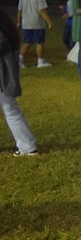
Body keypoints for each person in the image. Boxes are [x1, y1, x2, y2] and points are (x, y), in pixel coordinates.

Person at [0, 9, 39, 156]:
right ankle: (27, 145)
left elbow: (2, 43)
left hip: (2, 77)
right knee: (11, 110)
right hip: (5, 75)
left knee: (10, 110)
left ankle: (27, 146)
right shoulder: (6, 25)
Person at [17, 0, 52, 68]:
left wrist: (18, 22)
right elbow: (42, 10)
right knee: (39, 42)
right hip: (37, 23)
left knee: (26, 42)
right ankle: (40, 61)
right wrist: (49, 21)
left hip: (26, 23)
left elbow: (19, 10)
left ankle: (19, 60)